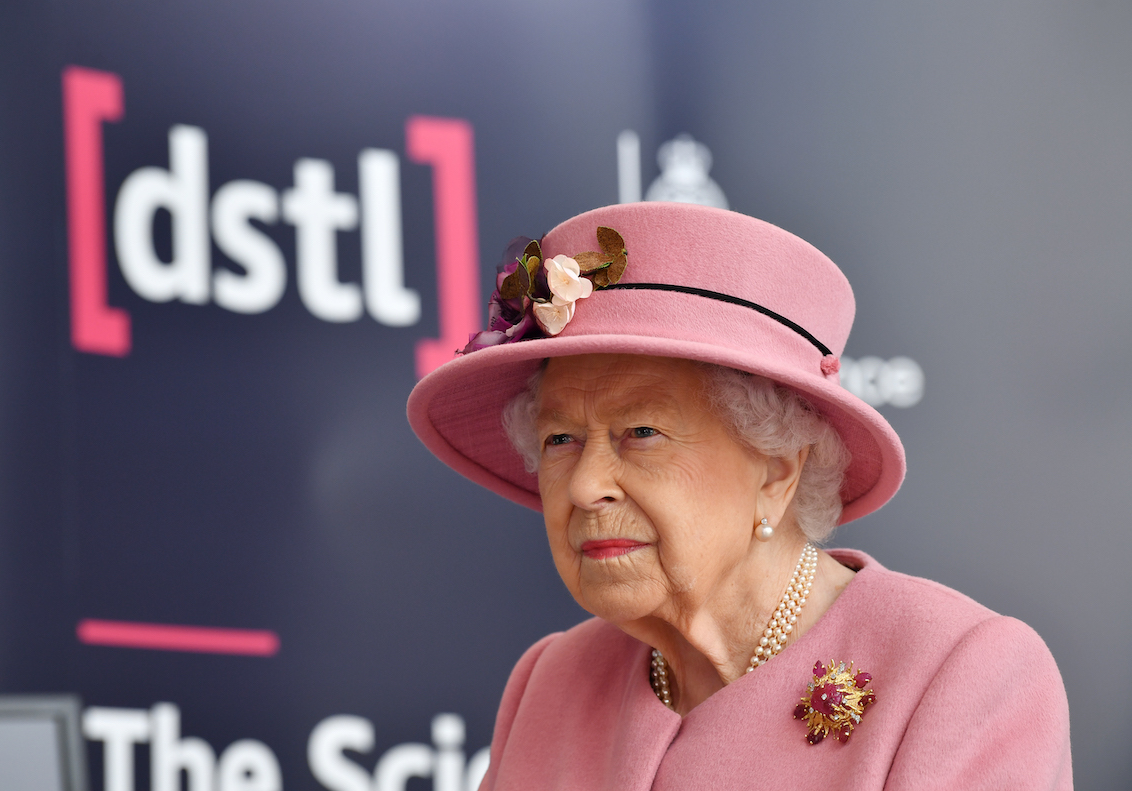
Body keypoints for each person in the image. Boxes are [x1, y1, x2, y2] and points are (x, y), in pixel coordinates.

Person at [407, 202, 1072, 789]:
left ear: (778, 468)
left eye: (641, 432)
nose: (584, 486)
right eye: (559, 440)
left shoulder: (959, 677)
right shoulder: (550, 682)